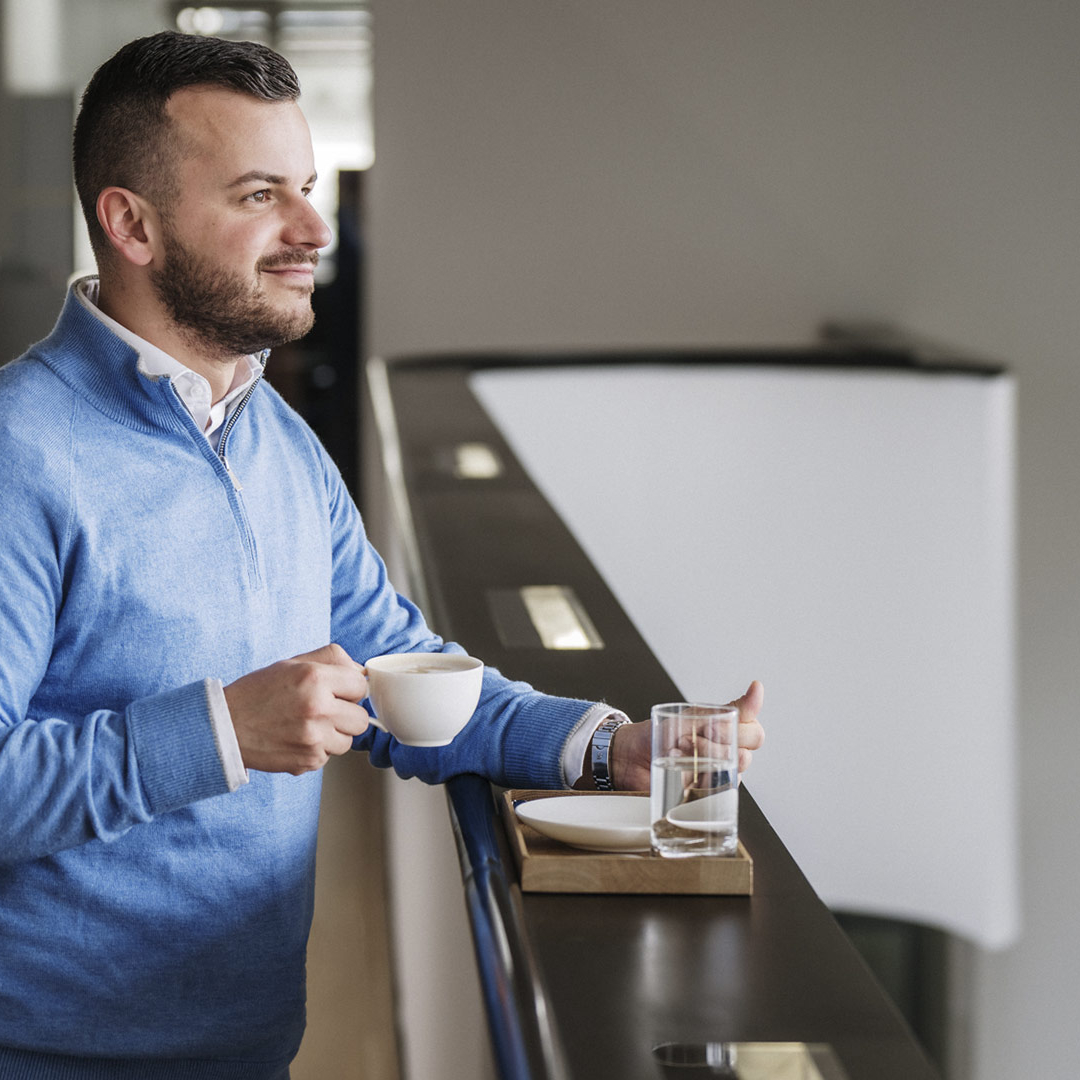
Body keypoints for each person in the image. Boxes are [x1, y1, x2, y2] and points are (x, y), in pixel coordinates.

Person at [0, 30, 764, 1080]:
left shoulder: (275, 438)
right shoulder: (19, 451)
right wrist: (223, 729)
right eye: (260, 194)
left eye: (305, 188)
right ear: (130, 223)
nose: (316, 226)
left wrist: (605, 750)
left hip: (251, 1045)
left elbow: (403, 673)